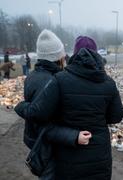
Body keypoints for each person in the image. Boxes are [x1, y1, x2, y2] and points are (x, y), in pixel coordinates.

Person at [16, 35, 123, 180]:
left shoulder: (60, 80)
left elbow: (39, 114)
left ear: (75, 54)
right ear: (97, 54)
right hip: (100, 156)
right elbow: (116, 116)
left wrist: (21, 106)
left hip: (70, 157)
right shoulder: (108, 83)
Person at [14, 30, 92, 179]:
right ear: (57, 57)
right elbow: (45, 124)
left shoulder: (32, 76)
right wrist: (73, 135)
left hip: (34, 139)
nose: (65, 58)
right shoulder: (51, 81)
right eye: (62, 55)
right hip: (46, 145)